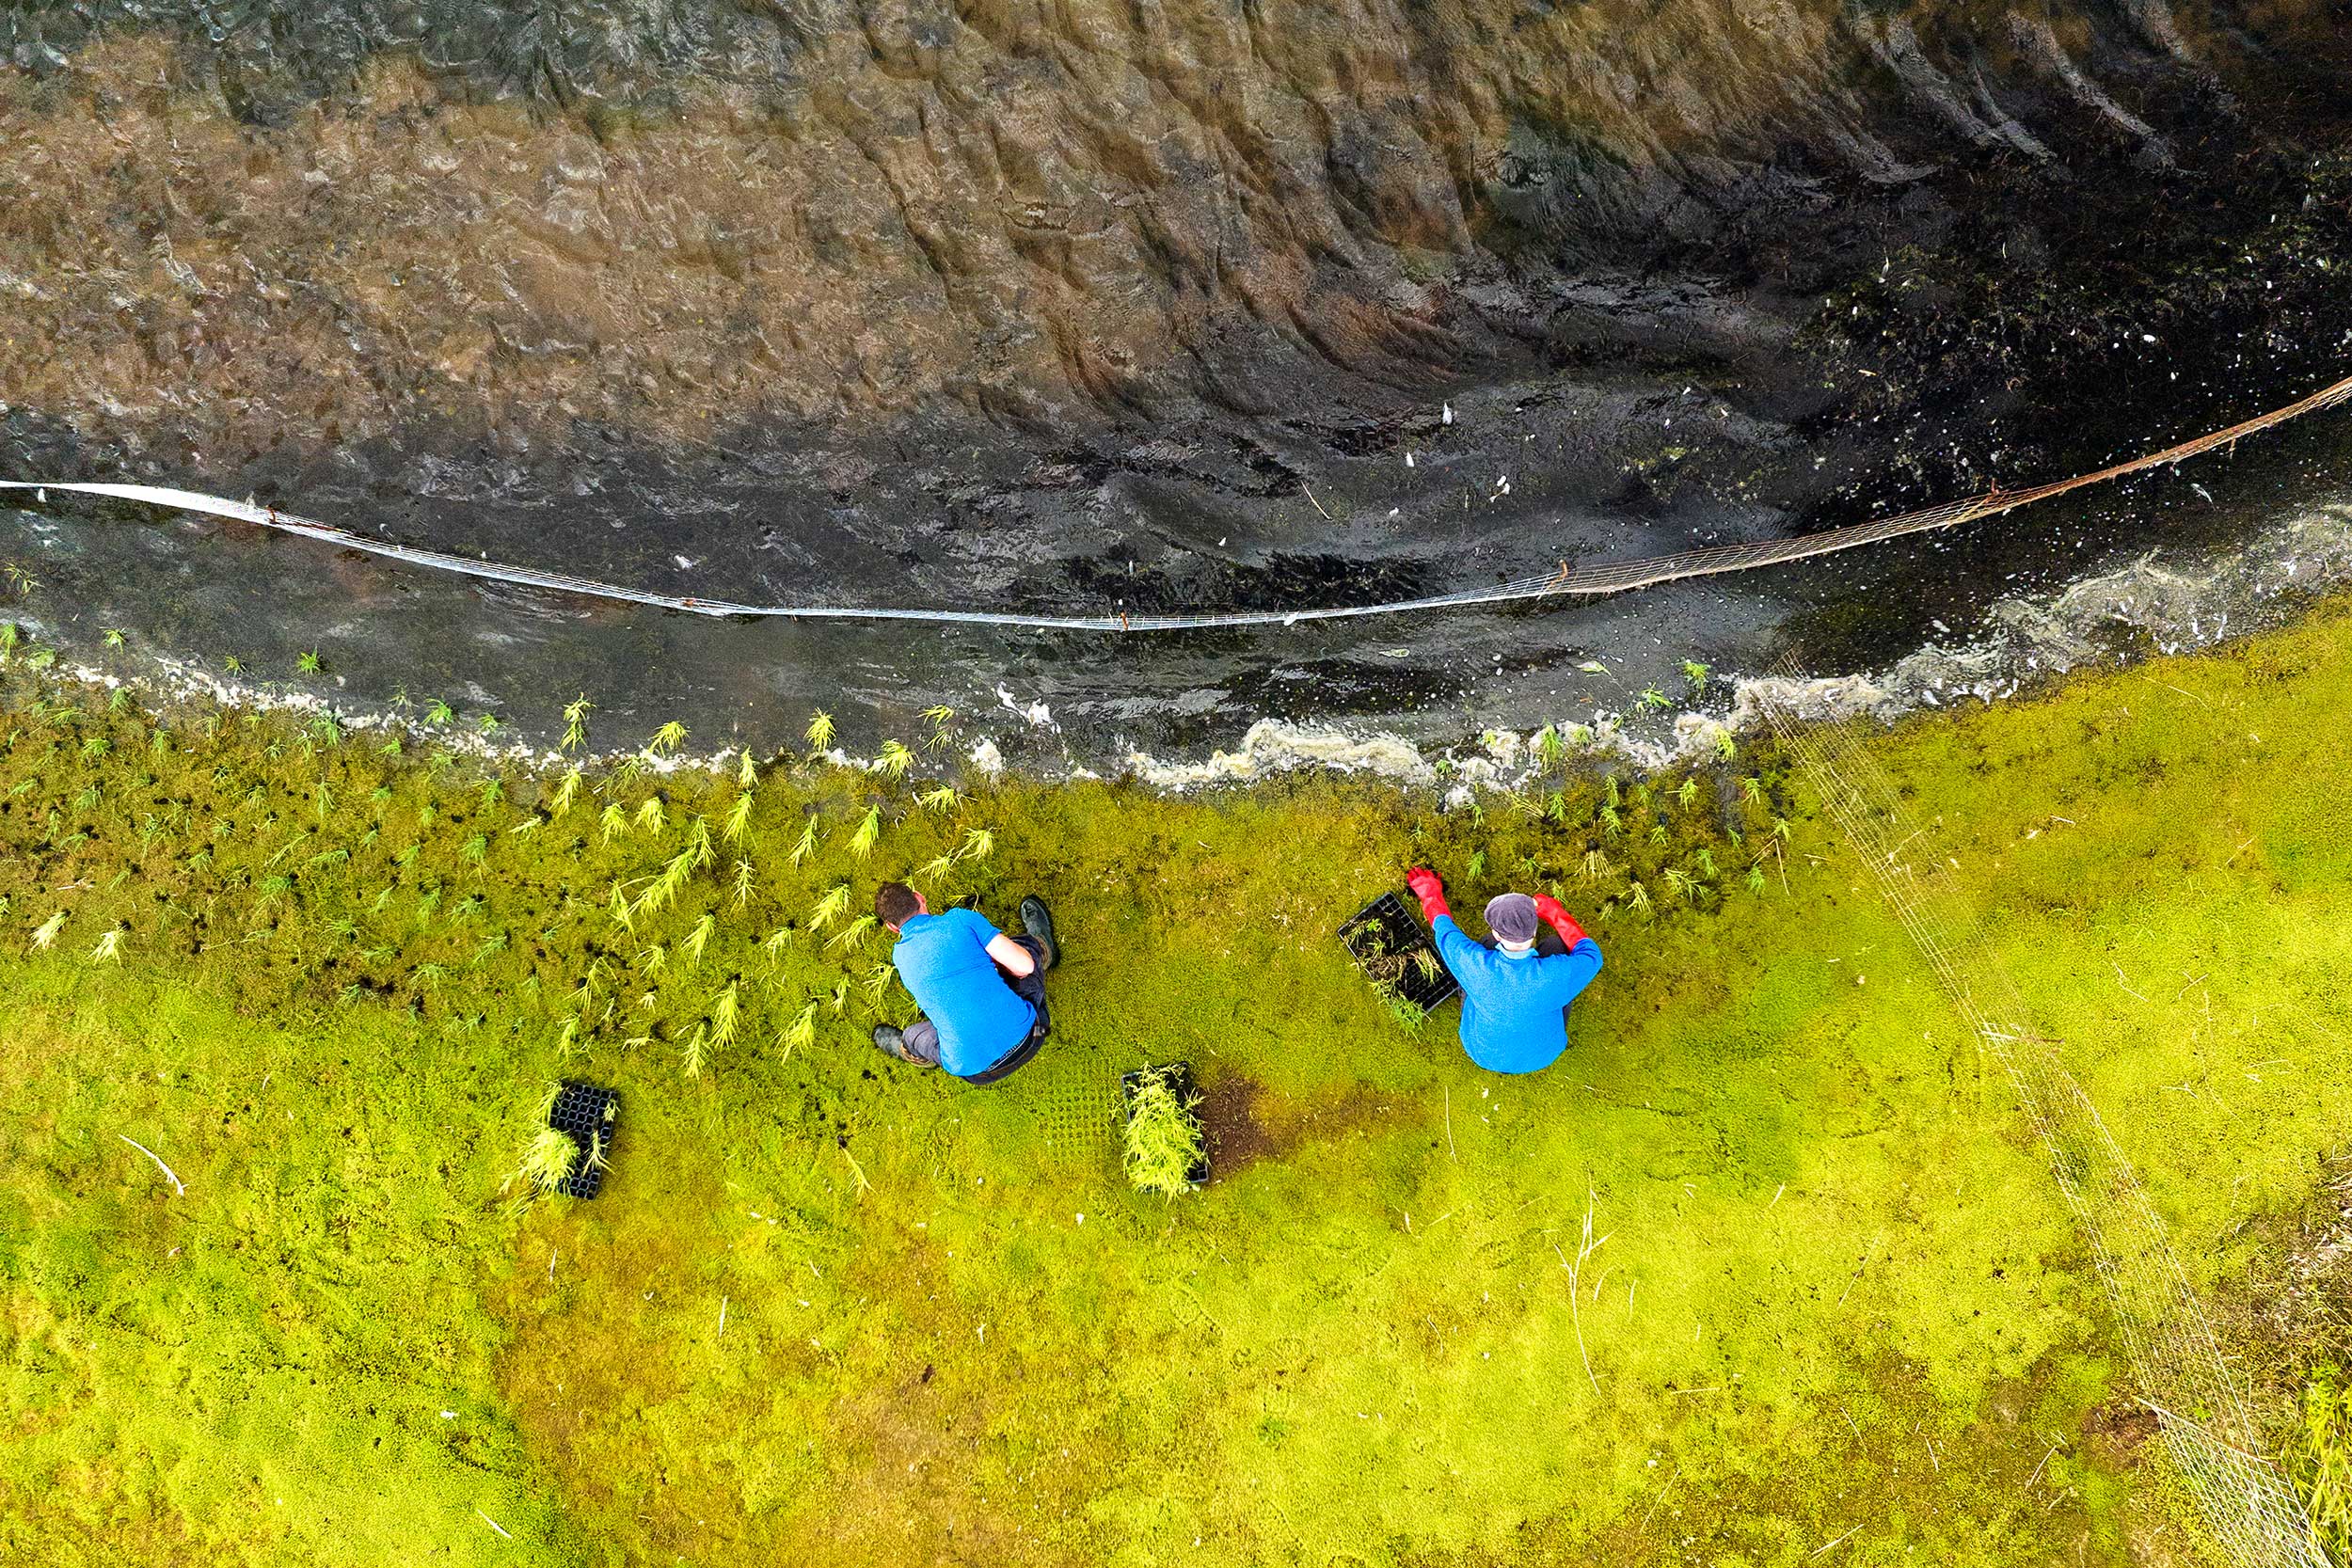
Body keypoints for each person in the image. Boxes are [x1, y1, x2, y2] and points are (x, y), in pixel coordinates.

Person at [1404, 866, 1602, 1074]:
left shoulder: (1473, 963)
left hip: (1483, 1053)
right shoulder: (1557, 974)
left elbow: (1443, 927)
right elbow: (1591, 955)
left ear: (1497, 934)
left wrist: (1429, 892)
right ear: (1534, 929)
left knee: (1484, 947)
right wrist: (1554, 913)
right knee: (1556, 945)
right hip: (1543, 1054)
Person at [870, 882, 1060, 1085]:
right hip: (1034, 1034)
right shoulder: (961, 919)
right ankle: (1043, 947)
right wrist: (999, 968)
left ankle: (919, 1057)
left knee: (912, 1036)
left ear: (892, 927)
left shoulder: (900, 956)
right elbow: (1024, 967)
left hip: (977, 1073)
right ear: (920, 897)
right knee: (1024, 951)